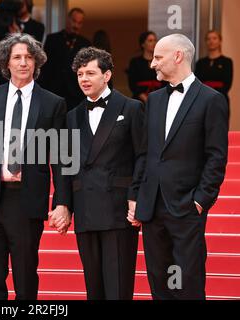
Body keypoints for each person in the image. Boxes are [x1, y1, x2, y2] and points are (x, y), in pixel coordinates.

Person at [0, 33, 70, 300]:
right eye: (17, 57)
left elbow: (62, 156)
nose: (23, 63)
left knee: (25, 276)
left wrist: (62, 202)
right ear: (6, 63)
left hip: (26, 200)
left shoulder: (53, 103)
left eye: (29, 57)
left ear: (37, 63)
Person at [132, 34, 229, 300]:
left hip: (187, 207)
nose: (153, 64)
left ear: (178, 56)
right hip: (153, 207)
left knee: (188, 283)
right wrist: (138, 196)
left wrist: (200, 201)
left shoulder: (211, 100)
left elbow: (216, 157)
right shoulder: (153, 100)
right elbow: (147, 153)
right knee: (159, 282)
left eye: (158, 57)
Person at [64, 47, 145, 300]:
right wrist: (63, 204)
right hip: (85, 209)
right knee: (94, 290)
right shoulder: (71, 116)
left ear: (107, 75)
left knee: (118, 290)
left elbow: (143, 156)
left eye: (90, 73)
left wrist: (135, 196)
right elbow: (66, 164)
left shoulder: (132, 109)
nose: (84, 79)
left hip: (118, 211)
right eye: (79, 74)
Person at [38, 8, 91, 110]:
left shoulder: (85, 44)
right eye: (74, 21)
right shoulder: (52, 39)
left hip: (77, 95)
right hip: (53, 92)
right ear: (67, 20)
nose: (76, 26)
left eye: (79, 23)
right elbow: (45, 68)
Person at [0, 0, 45, 85]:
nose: (18, 6)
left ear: (28, 4)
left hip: (26, 72)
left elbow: (35, 49)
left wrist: (18, 35)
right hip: (4, 73)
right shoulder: (6, 22)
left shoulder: (37, 26)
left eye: (20, 3)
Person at [195, 30, 233, 108]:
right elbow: (197, 82)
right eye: (208, 39)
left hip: (220, 98)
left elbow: (227, 84)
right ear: (206, 42)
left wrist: (214, 94)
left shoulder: (227, 61)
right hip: (202, 99)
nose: (211, 41)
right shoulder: (200, 62)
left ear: (220, 41)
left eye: (214, 38)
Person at [126, 31, 164, 103]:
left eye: (155, 40)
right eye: (150, 41)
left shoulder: (161, 61)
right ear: (143, 44)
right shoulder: (135, 62)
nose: (154, 43)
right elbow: (132, 84)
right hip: (139, 101)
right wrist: (145, 98)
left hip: (159, 99)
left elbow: (165, 82)